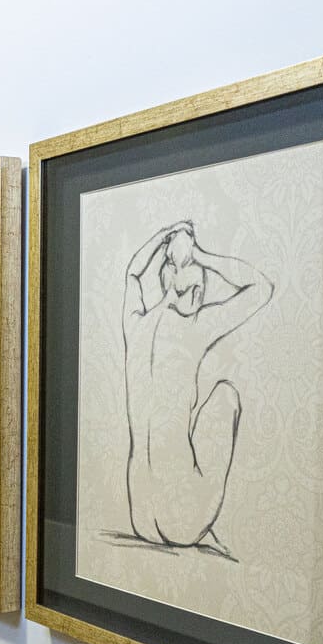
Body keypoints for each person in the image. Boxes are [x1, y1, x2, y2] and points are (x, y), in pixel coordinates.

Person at [121, 221, 274, 554]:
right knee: (225, 395)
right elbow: (261, 287)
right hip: (182, 523)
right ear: (196, 293)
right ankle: (202, 525)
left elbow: (132, 273)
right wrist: (201, 256)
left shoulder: (135, 326)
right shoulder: (195, 326)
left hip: (140, 516)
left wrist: (164, 237)